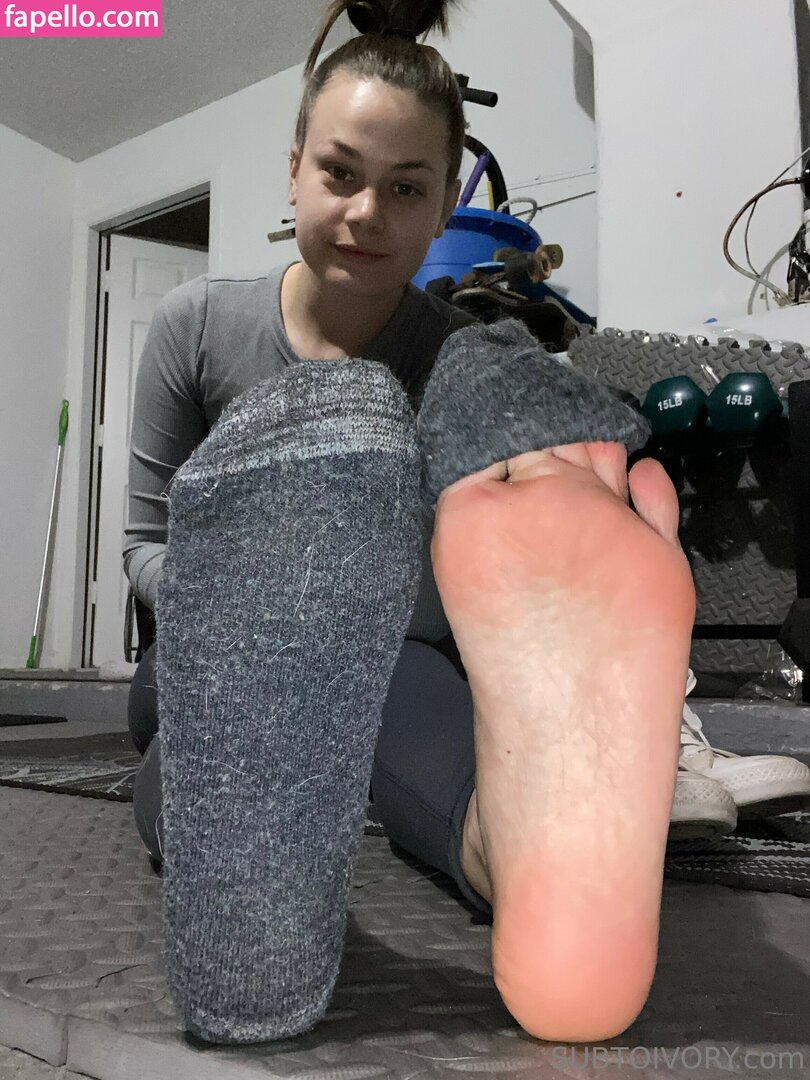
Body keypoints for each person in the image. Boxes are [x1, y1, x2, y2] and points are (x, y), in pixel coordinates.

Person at [123, 0, 804, 1048]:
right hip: (208, 652)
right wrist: (247, 604)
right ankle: (298, 867)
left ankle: (511, 850)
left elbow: (467, 591)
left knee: (387, 668)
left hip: (389, 649)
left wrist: (362, 613)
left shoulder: (463, 360)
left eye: (406, 188)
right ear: (293, 170)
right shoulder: (198, 327)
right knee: (217, 733)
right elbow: (143, 545)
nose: (366, 211)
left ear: (446, 206)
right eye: (340, 173)